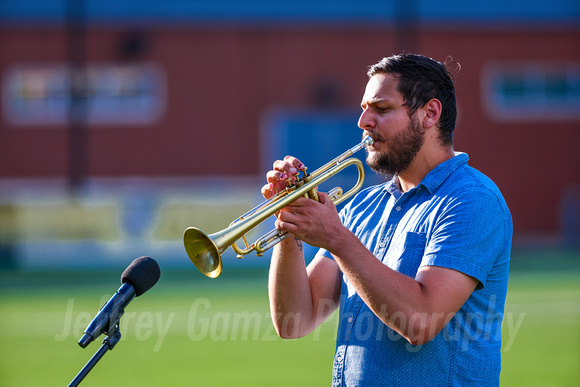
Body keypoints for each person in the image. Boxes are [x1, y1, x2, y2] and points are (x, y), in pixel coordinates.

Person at [261, 54, 512, 386]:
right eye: (365, 108)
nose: (363, 121)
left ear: (430, 114)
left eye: (381, 109)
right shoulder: (361, 206)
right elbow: (294, 321)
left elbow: (421, 321)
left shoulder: (472, 199)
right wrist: (290, 224)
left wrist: (336, 239)